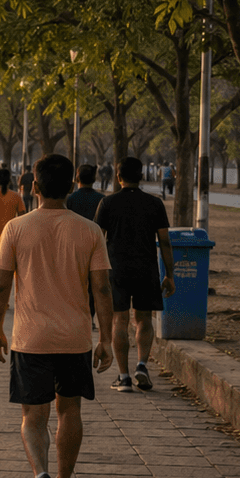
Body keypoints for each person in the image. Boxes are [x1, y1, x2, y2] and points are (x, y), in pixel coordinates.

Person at [0, 154, 114, 478]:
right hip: (75, 338)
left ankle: (40, 476)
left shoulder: (16, 228)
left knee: (33, 414)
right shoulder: (90, 231)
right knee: (69, 410)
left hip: (29, 338)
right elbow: (103, 289)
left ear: (34, 188)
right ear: (72, 188)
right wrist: (105, 337)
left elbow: (1, 285)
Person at [94, 157, 177, 392]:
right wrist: (169, 274)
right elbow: (165, 242)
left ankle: (124, 377)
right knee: (144, 318)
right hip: (146, 268)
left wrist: (95, 272)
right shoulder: (155, 204)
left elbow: (97, 239)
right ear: (141, 177)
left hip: (116, 268)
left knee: (119, 320)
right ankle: (141, 365)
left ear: (118, 177)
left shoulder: (107, 204)